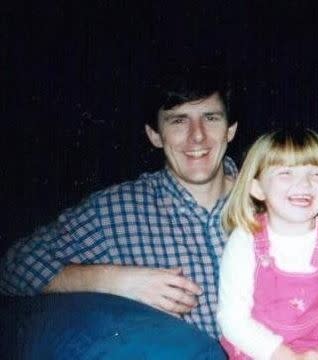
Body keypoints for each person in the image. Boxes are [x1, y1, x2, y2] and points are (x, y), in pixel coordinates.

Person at [0, 65, 238, 355]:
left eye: (210, 118)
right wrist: (116, 280)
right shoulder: (116, 211)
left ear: (230, 129)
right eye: (178, 121)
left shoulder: (276, 196)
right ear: (154, 135)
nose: (197, 136)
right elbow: (13, 269)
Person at [217, 128, 318, 359]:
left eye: (316, 174)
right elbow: (232, 319)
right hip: (263, 353)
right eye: (286, 173)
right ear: (257, 187)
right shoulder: (244, 240)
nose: (304, 184)